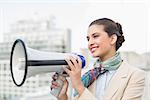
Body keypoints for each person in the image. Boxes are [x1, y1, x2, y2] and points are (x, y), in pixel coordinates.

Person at [50, 18, 146, 100]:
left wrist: (79, 86)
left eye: (95, 36)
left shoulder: (134, 75)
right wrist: (62, 96)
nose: (90, 43)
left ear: (112, 39)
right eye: (88, 39)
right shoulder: (88, 75)